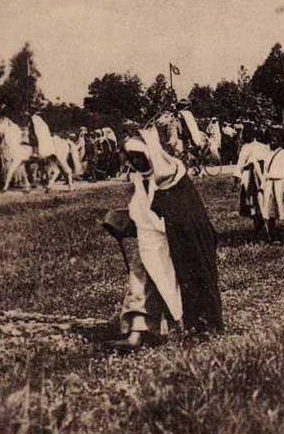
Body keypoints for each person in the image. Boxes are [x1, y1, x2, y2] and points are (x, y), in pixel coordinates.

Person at [137, 126, 222, 335]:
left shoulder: (165, 179)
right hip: (191, 233)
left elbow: (155, 206)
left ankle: (203, 323)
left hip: (188, 234)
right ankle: (202, 322)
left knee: (195, 277)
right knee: (199, 276)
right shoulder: (174, 172)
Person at [112, 136, 186, 349]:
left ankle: (174, 329)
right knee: (138, 284)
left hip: (166, 241)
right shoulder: (138, 180)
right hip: (145, 242)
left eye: (139, 157)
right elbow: (140, 211)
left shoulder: (165, 176)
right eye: (131, 159)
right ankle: (136, 333)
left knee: (167, 285)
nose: (136, 163)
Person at [233, 125, 270, 232]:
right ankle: (262, 220)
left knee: (252, 199)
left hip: (250, 176)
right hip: (262, 175)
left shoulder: (246, 147)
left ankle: (258, 222)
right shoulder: (263, 146)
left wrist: (236, 180)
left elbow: (240, 164)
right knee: (261, 198)